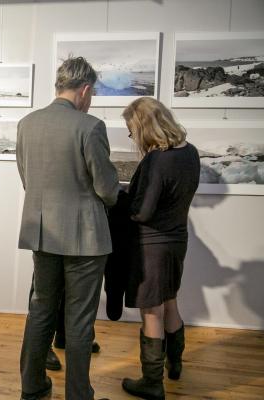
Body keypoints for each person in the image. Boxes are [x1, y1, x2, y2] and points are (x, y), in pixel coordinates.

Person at [17, 56, 119, 400]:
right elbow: (106, 188)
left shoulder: (27, 123)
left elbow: (26, 177)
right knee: (79, 320)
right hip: (86, 239)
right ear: (85, 89)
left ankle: (32, 388)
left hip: (42, 232)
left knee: (40, 310)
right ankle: (78, 395)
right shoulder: (89, 126)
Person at [121, 97, 200, 400]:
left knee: (151, 312)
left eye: (132, 131)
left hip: (152, 246)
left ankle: (152, 382)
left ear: (144, 127)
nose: (133, 138)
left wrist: (124, 205)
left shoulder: (158, 159)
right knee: (170, 302)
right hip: (178, 241)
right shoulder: (190, 152)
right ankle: (175, 364)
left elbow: (144, 212)